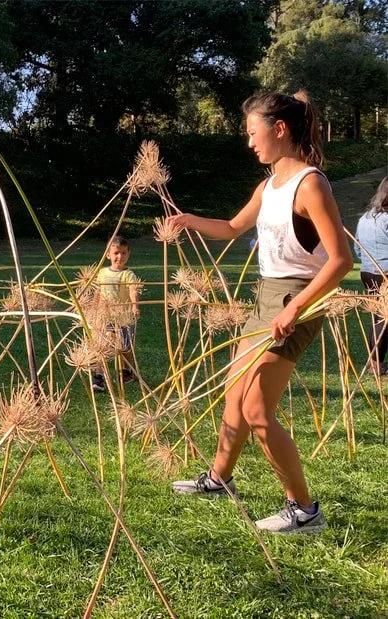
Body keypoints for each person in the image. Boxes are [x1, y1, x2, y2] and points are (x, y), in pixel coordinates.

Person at [167, 90, 352, 535]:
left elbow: (341, 260)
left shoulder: (310, 183)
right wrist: (189, 218)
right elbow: (233, 227)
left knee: (255, 408)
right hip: (264, 297)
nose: (249, 142)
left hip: (297, 300)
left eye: (254, 133)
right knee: (235, 392)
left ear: (280, 129)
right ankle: (219, 478)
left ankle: (304, 510)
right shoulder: (268, 185)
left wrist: (297, 309)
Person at [90, 236, 141, 393]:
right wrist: (94, 308)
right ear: (108, 255)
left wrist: (135, 306)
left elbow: (133, 290)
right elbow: (98, 291)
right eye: (116, 253)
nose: (120, 256)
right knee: (102, 346)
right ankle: (99, 376)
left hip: (123, 318)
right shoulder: (102, 273)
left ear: (128, 254)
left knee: (124, 346)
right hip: (106, 317)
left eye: (124, 253)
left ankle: (127, 370)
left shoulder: (128, 275)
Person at [355, 176, 388, 375]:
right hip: (386, 273)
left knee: (379, 318)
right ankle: (376, 365)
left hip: (368, 272)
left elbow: (357, 248)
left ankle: (375, 364)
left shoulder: (364, 217)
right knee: (383, 319)